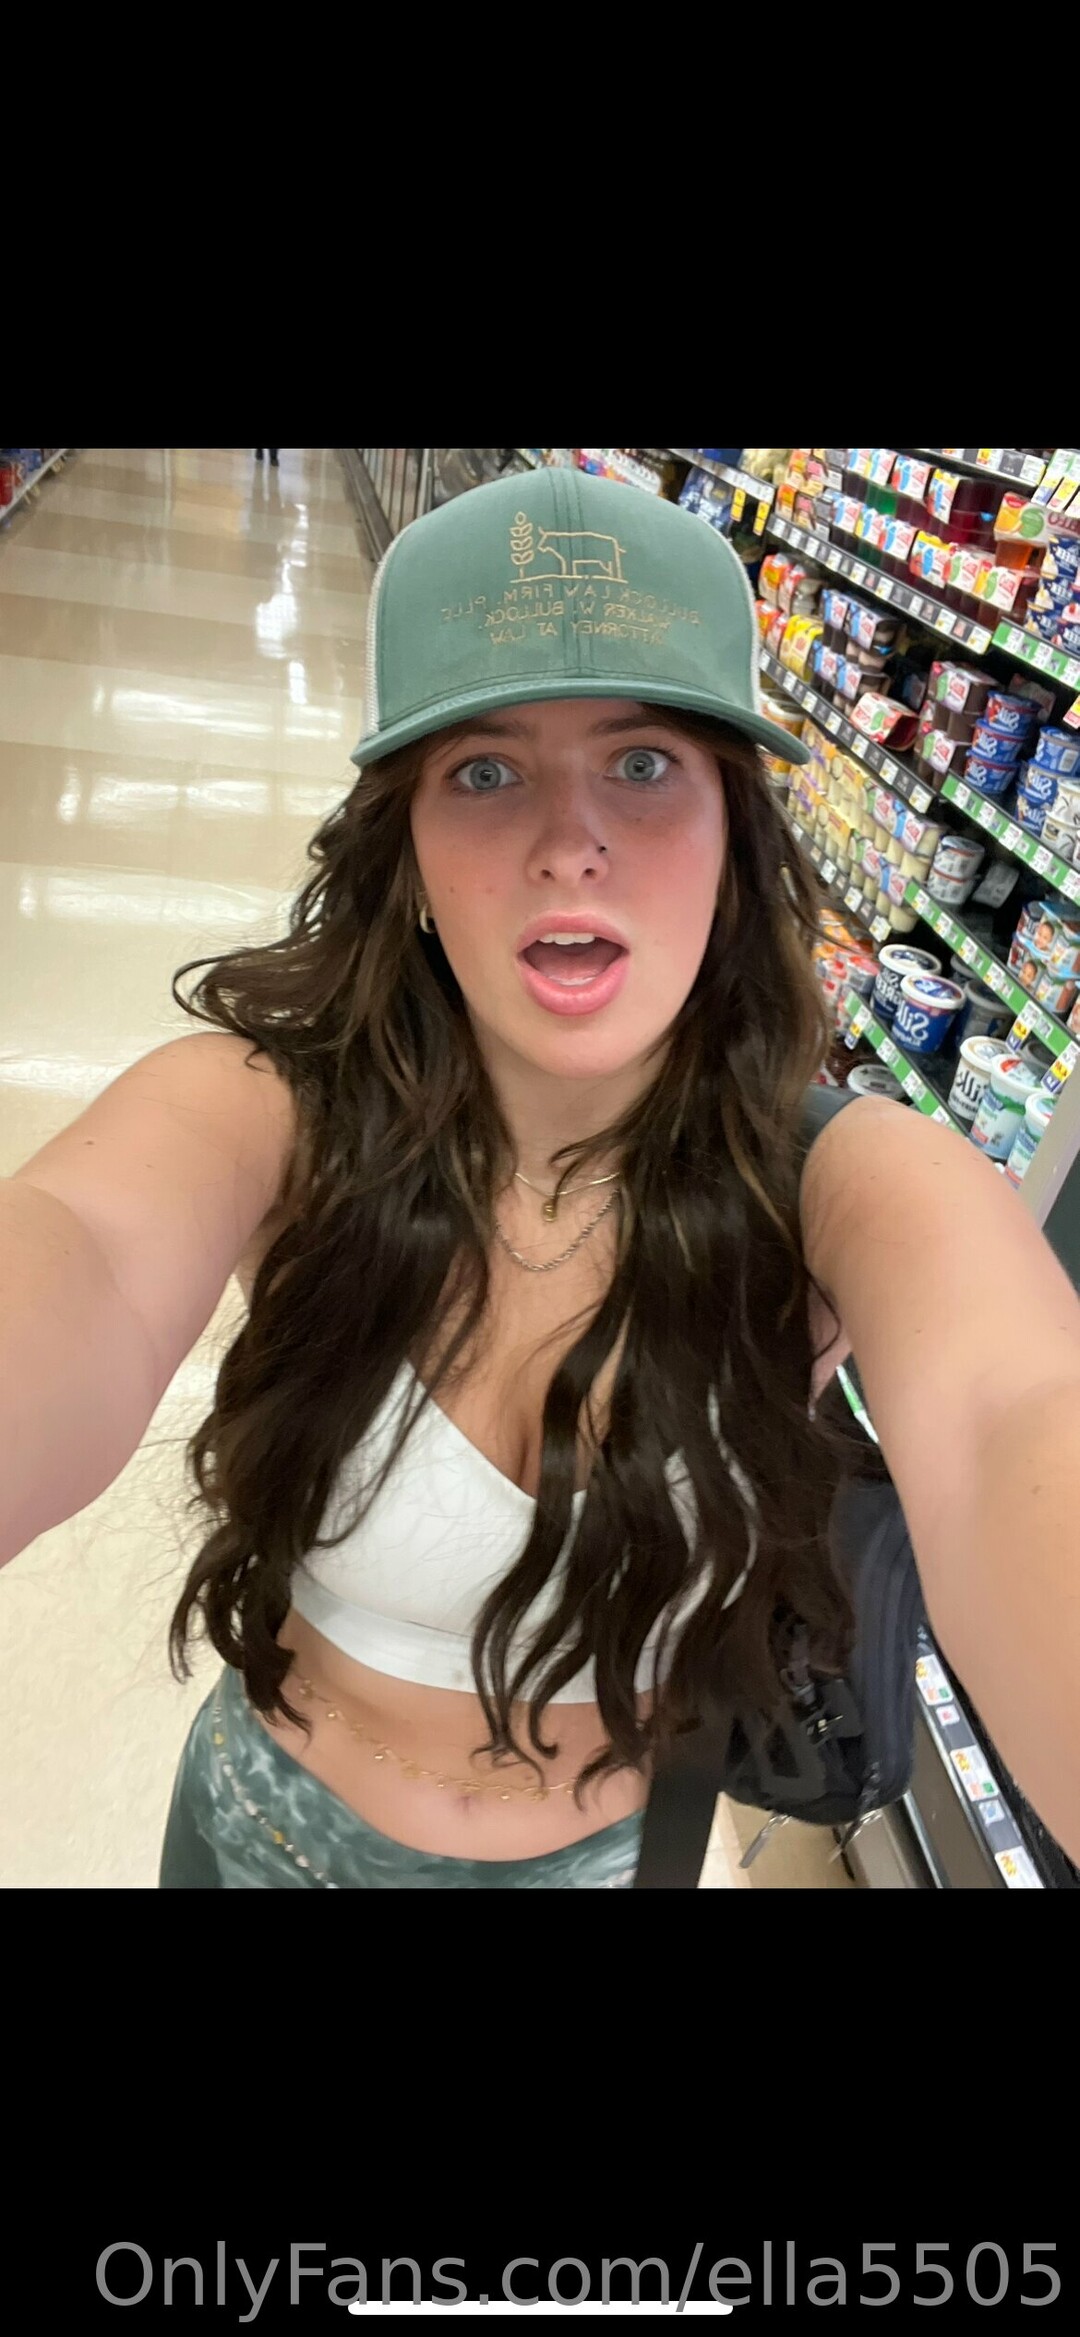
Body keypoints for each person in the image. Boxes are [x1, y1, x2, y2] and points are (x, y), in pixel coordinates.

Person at [5, 468, 1080, 1889]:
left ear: (735, 832)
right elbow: (78, 1240)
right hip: (255, 1838)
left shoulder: (852, 1184)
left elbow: (1018, 1417)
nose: (570, 844)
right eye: (485, 771)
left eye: (643, 764)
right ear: (404, 840)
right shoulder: (267, 1114)